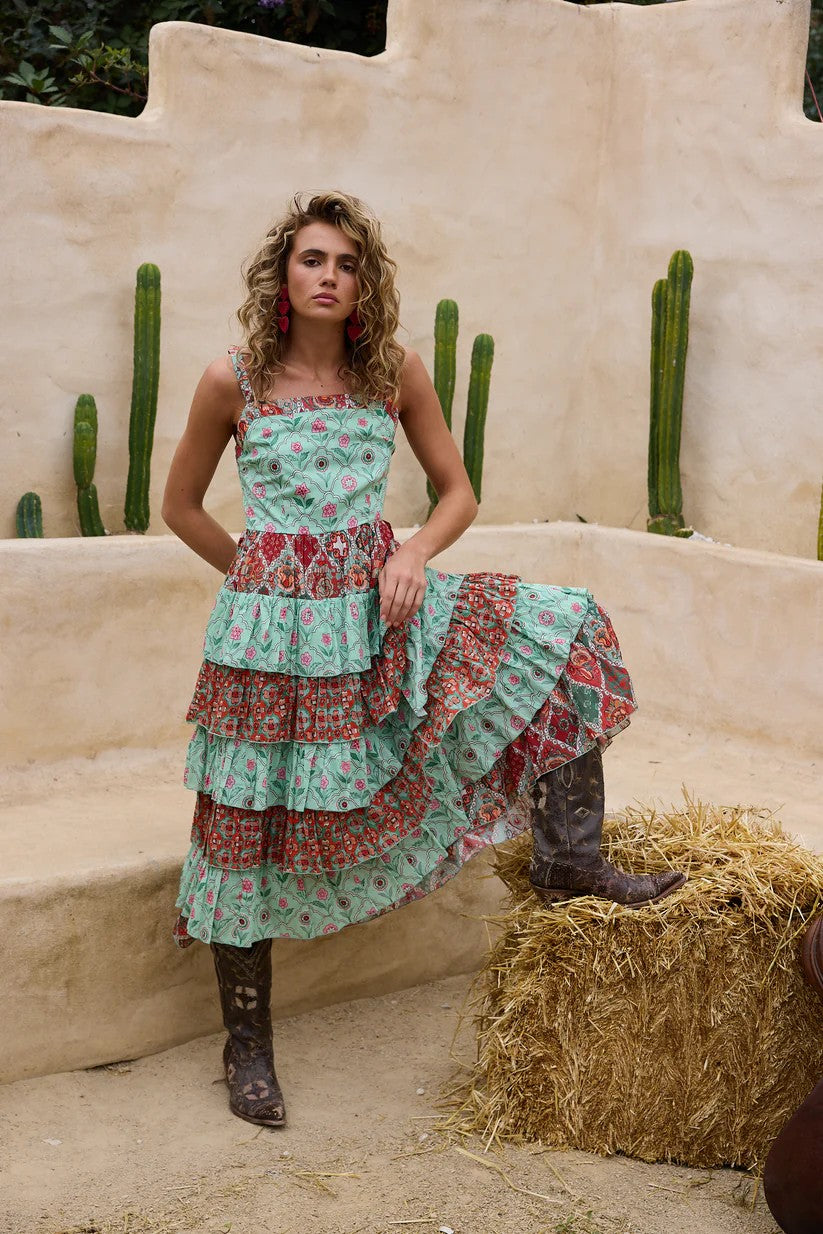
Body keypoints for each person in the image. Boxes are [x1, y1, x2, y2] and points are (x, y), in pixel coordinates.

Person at [161, 190, 686, 1130]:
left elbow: (456, 492)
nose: (329, 277)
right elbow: (183, 507)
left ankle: (570, 857)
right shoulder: (230, 380)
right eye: (313, 259)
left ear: (366, 282)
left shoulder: (393, 372)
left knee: (563, 626)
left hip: (381, 609)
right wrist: (260, 578)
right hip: (268, 637)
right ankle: (247, 1044)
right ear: (282, 275)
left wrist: (408, 553)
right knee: (241, 826)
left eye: (347, 264)